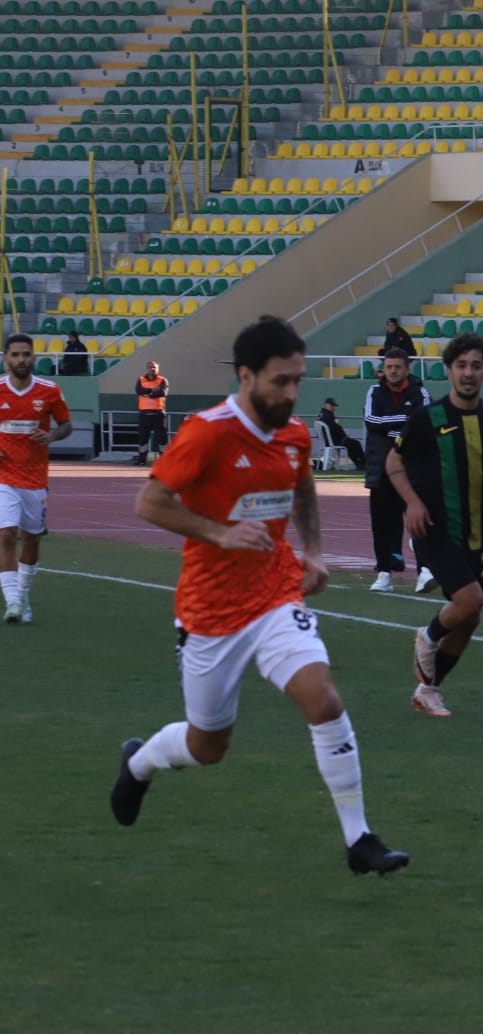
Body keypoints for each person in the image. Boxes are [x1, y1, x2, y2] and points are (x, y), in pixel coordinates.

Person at [110, 316, 408, 875]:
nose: (291, 392)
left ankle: (359, 839)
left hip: (275, 594)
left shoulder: (293, 434)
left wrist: (313, 551)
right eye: (280, 382)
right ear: (245, 376)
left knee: (324, 700)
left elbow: (302, 488)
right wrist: (220, 532)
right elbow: (150, 502)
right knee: (208, 747)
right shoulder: (207, 432)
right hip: (210, 611)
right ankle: (140, 764)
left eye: (297, 380)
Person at [387, 334, 483, 719]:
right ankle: (426, 637)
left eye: (476, 365)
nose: (468, 373)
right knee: (470, 601)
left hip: (476, 532)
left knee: (470, 618)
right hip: (434, 528)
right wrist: (411, 501)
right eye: (461, 365)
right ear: (449, 371)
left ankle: (427, 690)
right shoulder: (428, 419)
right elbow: (393, 464)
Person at [0, 333, 72, 624]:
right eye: (15, 354)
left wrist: (52, 435)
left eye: (26, 354)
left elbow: (66, 425)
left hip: (35, 477)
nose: (21, 359)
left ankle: (23, 595)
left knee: (31, 539)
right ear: (5, 358)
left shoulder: (50, 390)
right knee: (5, 534)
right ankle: (13, 603)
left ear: (34, 358)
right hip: (3, 476)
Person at [362, 348, 434, 594]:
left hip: (413, 467)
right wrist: (402, 425)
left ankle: (425, 570)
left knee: (420, 519)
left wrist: (393, 427)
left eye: (397, 367)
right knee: (382, 522)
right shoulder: (374, 391)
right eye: (389, 367)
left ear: (407, 369)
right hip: (381, 468)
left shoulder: (420, 392)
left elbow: (422, 420)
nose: (393, 371)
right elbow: (371, 421)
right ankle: (384, 572)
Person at [135, 360, 169, 466]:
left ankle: (164, 461)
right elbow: (138, 391)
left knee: (162, 439)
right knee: (143, 439)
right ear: (147, 368)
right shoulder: (140, 380)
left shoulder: (162, 380)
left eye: (154, 367)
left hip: (158, 415)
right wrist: (152, 390)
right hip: (144, 415)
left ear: (158, 369)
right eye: (150, 367)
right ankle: (141, 460)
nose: (152, 369)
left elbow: (163, 392)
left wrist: (148, 394)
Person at [316, 397, 363, 466]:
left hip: (328, 441)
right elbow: (336, 429)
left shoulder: (321, 415)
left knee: (350, 444)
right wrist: (344, 436)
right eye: (332, 406)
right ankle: (363, 462)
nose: (334, 408)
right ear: (327, 405)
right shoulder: (328, 416)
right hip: (334, 440)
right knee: (356, 444)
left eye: (334, 406)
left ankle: (359, 464)